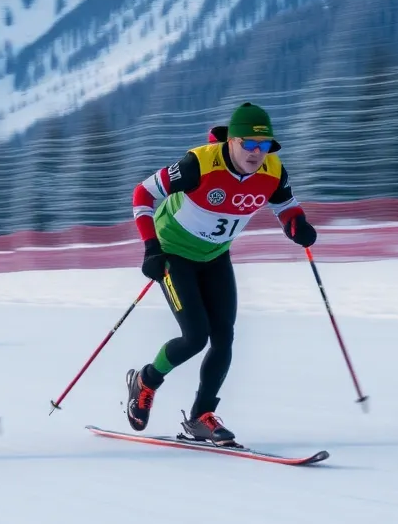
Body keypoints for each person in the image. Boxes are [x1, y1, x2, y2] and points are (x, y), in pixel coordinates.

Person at [125, 102, 316, 444]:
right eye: (249, 143)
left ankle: (201, 416)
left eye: (265, 145)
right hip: (173, 253)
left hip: (215, 255)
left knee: (224, 336)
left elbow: (286, 205)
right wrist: (151, 247)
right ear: (232, 141)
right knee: (195, 337)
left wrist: (296, 225)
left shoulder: (273, 171)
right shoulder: (197, 164)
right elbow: (143, 193)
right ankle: (146, 381)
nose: (257, 153)